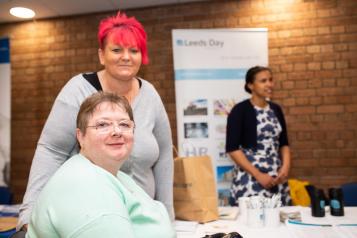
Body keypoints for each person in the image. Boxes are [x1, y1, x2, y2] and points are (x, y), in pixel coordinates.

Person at [18, 11, 174, 232]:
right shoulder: (78, 89)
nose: (126, 57)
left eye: (134, 50)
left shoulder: (150, 94)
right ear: (102, 55)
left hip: (139, 220)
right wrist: (28, 213)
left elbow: (165, 154)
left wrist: (166, 215)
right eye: (117, 50)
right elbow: (51, 150)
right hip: (88, 215)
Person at [26, 92, 176, 238]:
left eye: (124, 124)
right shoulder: (82, 186)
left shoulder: (116, 176)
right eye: (103, 124)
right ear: (80, 136)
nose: (117, 131)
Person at [225, 66, 291, 205]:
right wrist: (258, 175)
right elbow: (232, 149)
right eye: (263, 81)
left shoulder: (276, 109)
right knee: (251, 221)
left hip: (276, 177)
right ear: (250, 85)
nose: (269, 84)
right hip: (250, 177)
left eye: (270, 80)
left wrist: (285, 168)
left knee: (278, 221)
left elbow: (284, 143)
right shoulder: (239, 110)